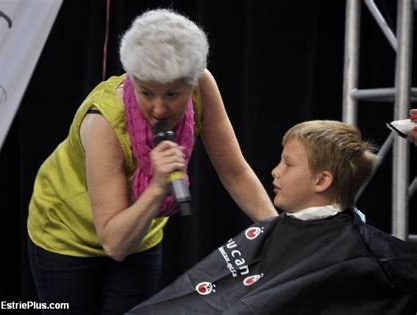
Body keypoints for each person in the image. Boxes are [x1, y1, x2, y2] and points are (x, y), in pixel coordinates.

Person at [27, 8, 276, 314]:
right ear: (133, 78)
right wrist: (158, 187)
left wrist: (277, 232)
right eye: (146, 93)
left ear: (191, 83)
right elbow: (115, 244)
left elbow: (235, 172)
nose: (158, 109)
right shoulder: (104, 121)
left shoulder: (202, 86)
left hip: (140, 230)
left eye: (172, 94)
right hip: (68, 232)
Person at [129, 120, 417, 314]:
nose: (275, 171)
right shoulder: (281, 229)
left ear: (321, 181)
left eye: (288, 164)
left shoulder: (363, 253)